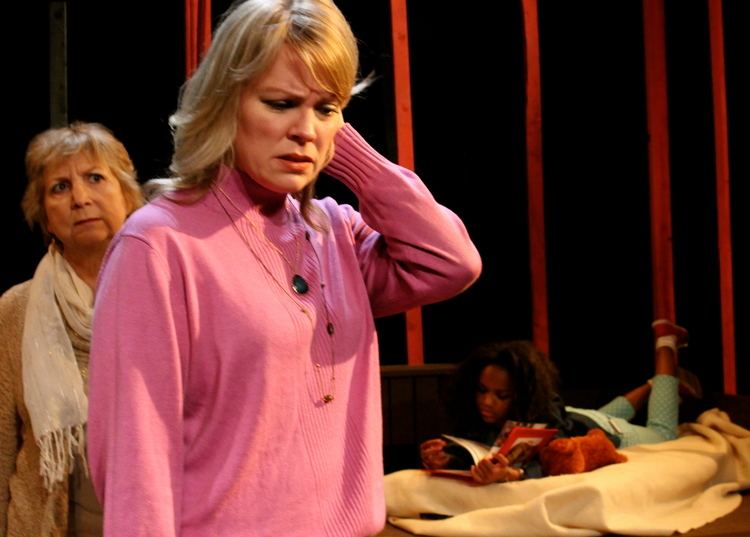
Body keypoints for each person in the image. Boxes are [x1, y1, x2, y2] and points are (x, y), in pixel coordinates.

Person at [85, 1, 482, 536]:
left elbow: (451, 262)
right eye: (281, 103)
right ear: (225, 103)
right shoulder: (158, 243)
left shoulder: (334, 230)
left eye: (327, 107)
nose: (305, 130)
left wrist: (347, 155)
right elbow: (136, 462)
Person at [0, 122, 143, 536]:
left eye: (95, 178)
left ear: (127, 196)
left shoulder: (166, 293)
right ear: (45, 215)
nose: (80, 198)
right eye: (60, 188)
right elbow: (3, 442)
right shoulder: (16, 309)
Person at [420, 319, 700, 485]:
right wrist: (447, 457)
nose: (487, 401)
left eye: (501, 395)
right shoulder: (484, 411)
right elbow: (480, 448)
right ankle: (655, 385)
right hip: (579, 417)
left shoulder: (543, 413)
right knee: (601, 416)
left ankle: (666, 343)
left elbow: (553, 461)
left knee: (664, 434)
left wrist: (512, 474)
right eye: (481, 390)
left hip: (601, 429)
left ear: (521, 394)